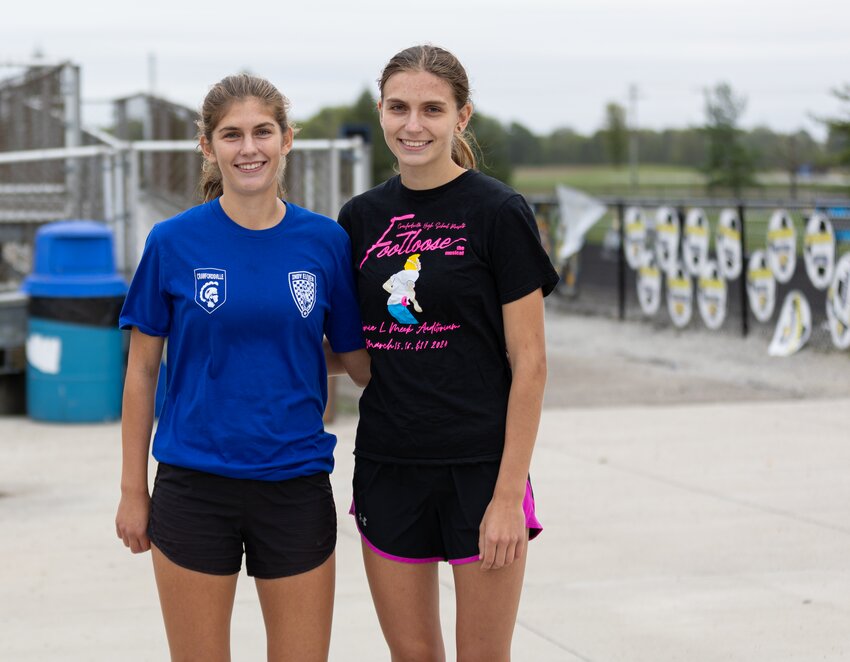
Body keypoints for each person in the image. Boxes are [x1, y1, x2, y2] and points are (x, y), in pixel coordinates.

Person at [114, 73, 369, 662]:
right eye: (232, 135)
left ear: (286, 140)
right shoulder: (172, 242)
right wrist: (133, 490)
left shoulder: (325, 242)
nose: (248, 147)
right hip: (194, 483)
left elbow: (359, 362)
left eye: (262, 131)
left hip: (295, 483)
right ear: (208, 146)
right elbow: (142, 373)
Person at [337, 45, 559, 661]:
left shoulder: (499, 212)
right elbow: (351, 346)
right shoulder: (359, 219)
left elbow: (531, 362)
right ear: (380, 112)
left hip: (481, 469)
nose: (414, 124)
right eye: (399, 107)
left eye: (432, 109)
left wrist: (508, 496)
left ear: (461, 117)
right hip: (388, 464)